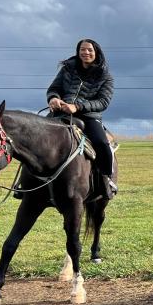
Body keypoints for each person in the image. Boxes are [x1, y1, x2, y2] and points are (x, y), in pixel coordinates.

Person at [47, 38, 117, 200]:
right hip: (61, 113)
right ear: (78, 52)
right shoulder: (67, 69)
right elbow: (54, 88)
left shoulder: (106, 76)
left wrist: (77, 106)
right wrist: (53, 98)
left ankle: (106, 180)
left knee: (101, 144)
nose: (86, 52)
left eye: (90, 50)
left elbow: (103, 102)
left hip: (89, 117)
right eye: (82, 50)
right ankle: (26, 182)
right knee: (36, 136)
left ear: (96, 52)